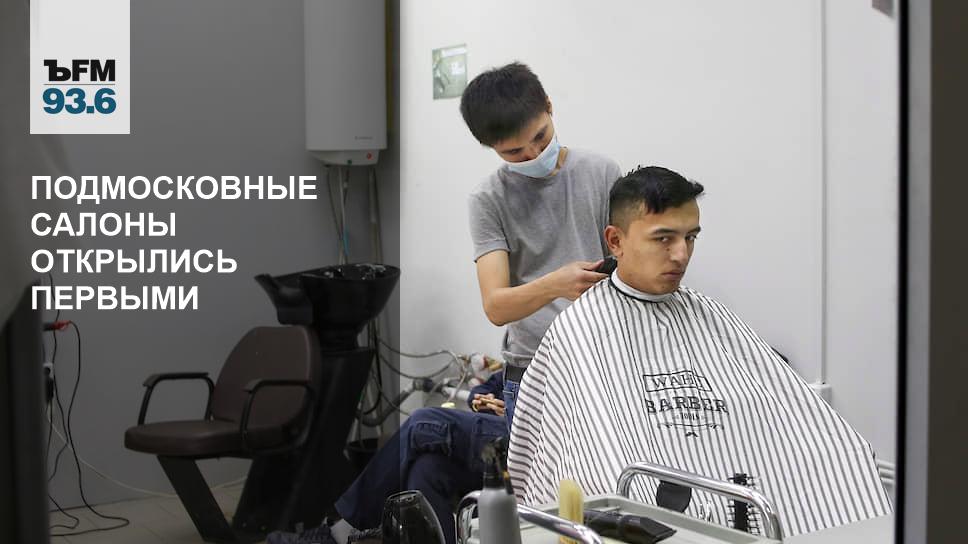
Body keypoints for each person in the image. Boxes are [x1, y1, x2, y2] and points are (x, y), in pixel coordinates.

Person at [506, 166, 892, 537]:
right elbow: (591, 455)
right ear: (616, 241)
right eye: (663, 238)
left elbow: (783, 417)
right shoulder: (581, 329)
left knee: (846, 454)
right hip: (650, 512)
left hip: (744, 501)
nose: (681, 255)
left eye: (690, 237)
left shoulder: (710, 314)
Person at [462, 62, 622, 429]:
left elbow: (626, 264)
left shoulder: (602, 172)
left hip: (604, 361)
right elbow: (496, 306)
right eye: (514, 152)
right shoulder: (488, 199)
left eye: (541, 136)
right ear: (490, 147)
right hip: (533, 372)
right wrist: (556, 285)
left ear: (549, 106)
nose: (533, 154)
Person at [268, 374, 507, 544]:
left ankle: (340, 533)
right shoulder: (520, 340)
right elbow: (502, 375)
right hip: (502, 425)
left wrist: (508, 407)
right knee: (426, 469)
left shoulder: (527, 321)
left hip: (519, 436)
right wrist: (480, 395)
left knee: (422, 423)